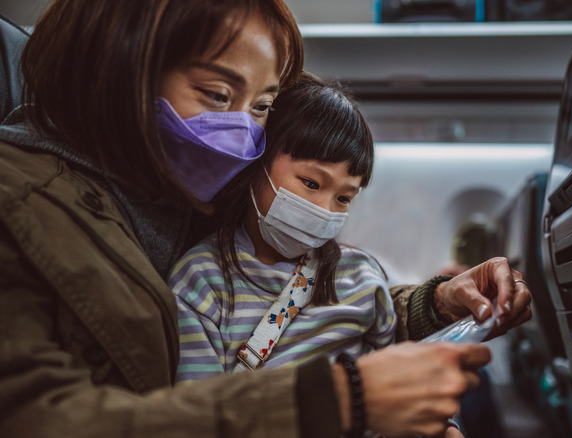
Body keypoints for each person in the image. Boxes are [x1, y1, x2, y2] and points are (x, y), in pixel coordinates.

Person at [0, 1, 533, 437]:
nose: (240, 138)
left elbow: (315, 301)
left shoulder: (178, 194)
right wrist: (341, 403)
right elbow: (37, 417)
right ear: (117, 67)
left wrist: (439, 302)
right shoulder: (22, 204)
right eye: (216, 94)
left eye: (260, 108)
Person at [170, 72, 397, 379]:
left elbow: (397, 377)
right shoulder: (201, 280)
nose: (324, 210)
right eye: (311, 182)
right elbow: (203, 414)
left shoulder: (361, 277)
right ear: (259, 161)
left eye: (343, 198)